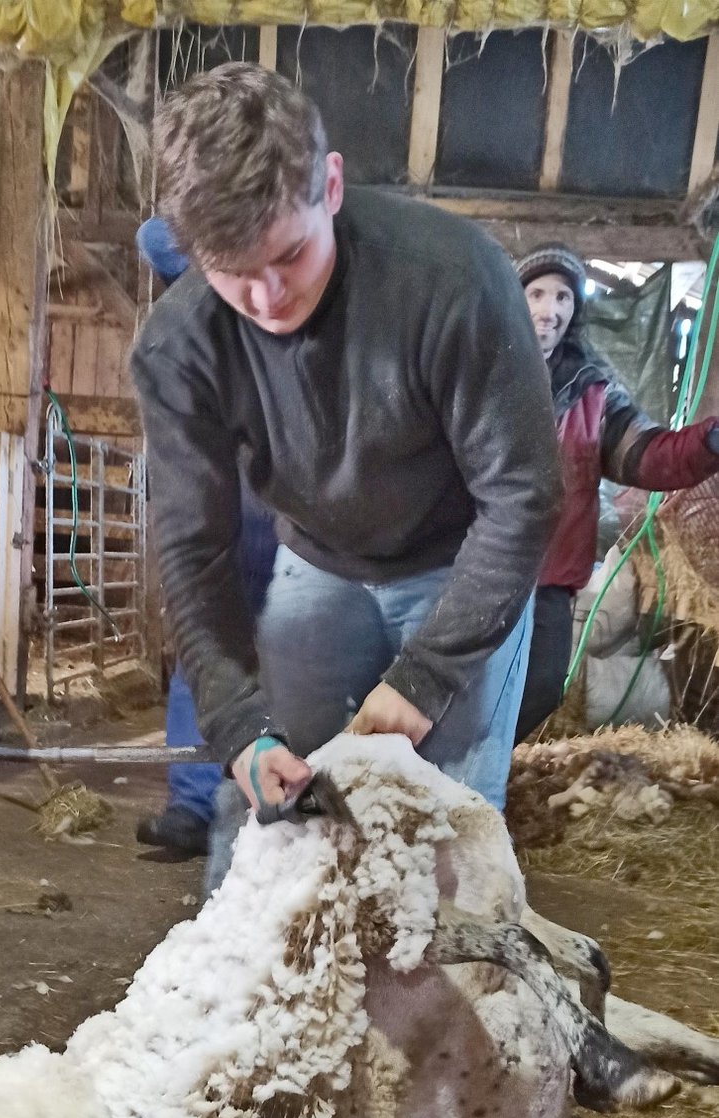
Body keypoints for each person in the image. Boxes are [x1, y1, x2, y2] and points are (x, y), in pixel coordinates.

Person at [131, 63, 562, 891]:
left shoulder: (453, 281)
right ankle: (249, 997)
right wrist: (238, 729)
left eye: (287, 256)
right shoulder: (180, 346)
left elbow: (523, 494)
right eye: (229, 270)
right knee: (271, 803)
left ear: (329, 185)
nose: (263, 296)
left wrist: (424, 677)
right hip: (318, 561)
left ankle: (454, 1004)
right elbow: (194, 551)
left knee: (452, 816)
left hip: (458, 557)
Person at [515, 244, 719, 741]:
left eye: (563, 297)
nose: (550, 309)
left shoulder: (591, 389)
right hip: (476, 566)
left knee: (540, 689)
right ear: (512, 300)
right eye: (537, 293)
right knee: (464, 686)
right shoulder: (480, 371)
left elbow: (646, 454)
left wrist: (709, 440)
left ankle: (495, 780)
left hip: (549, 577)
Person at [133, 217, 278, 856]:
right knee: (205, 646)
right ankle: (193, 803)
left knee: (292, 647)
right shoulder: (183, 330)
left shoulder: (277, 292)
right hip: (217, 502)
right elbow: (154, 235)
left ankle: (260, 798)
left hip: (282, 508)